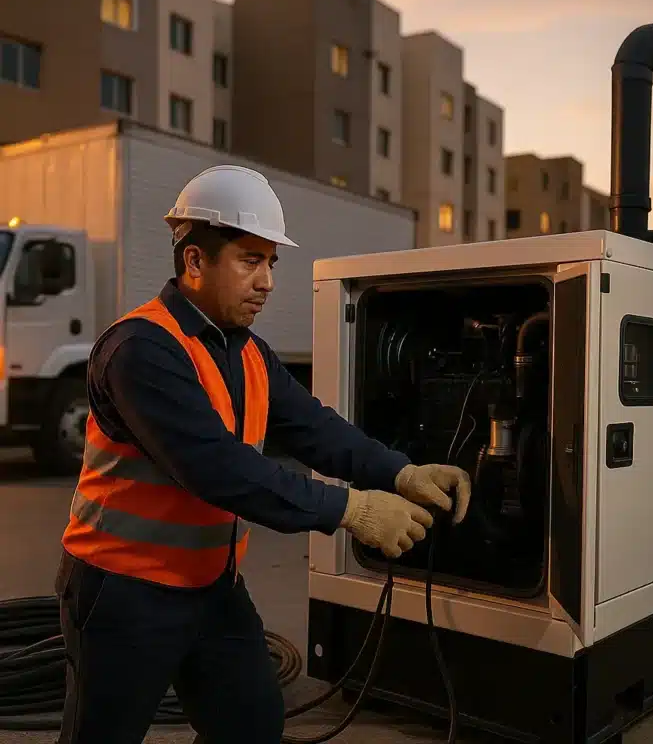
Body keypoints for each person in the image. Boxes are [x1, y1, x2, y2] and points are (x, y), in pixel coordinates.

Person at [53, 165, 471, 744]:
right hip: (125, 592)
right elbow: (218, 469)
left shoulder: (247, 351)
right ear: (195, 262)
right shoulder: (141, 350)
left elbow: (314, 428)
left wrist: (401, 471)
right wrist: (353, 510)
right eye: (251, 260)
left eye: (271, 262)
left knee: (250, 724)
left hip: (210, 588)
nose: (268, 281)